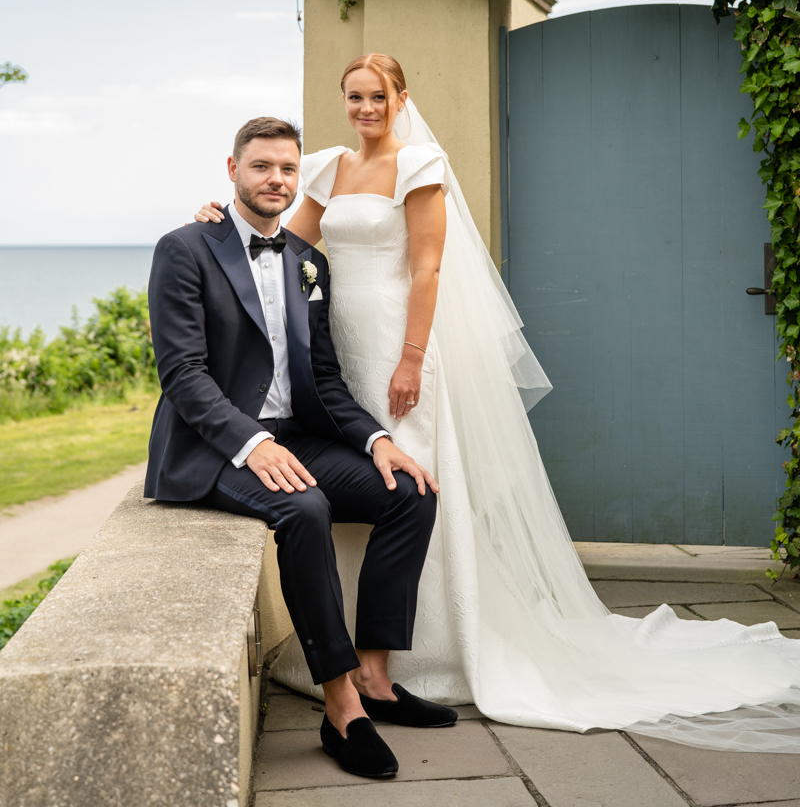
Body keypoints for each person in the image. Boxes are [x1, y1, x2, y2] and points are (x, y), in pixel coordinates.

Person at [195, 55, 800, 754]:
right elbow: (284, 244)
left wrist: (413, 357)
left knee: (413, 481)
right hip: (335, 348)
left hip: (396, 340)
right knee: (350, 489)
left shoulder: (421, 164)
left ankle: (409, 662)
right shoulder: (326, 167)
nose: (365, 108)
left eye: (377, 96)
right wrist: (220, 218)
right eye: (354, 96)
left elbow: (427, 264)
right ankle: (343, 662)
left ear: (401, 98)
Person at [146, 115, 458, 782]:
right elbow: (182, 374)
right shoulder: (184, 248)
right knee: (305, 509)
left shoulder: (307, 262)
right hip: (215, 447)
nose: (276, 179)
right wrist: (250, 442)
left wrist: (376, 439)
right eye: (261, 166)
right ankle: (340, 703)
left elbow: (323, 378)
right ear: (232, 171)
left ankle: (376, 677)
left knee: (410, 493)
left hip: (300, 437)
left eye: (287, 168)